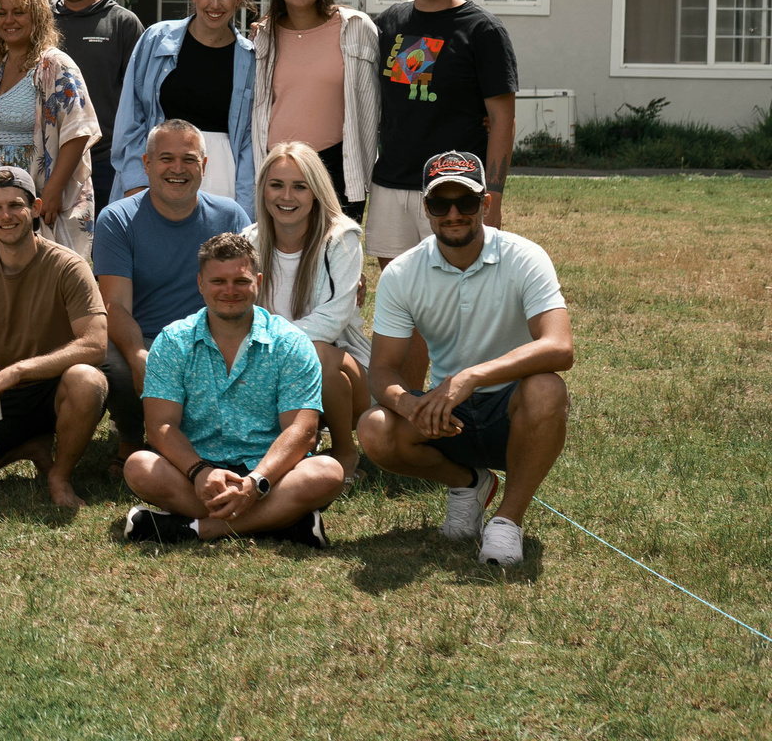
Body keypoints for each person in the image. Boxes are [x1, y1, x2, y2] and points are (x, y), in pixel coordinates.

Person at [358, 150, 572, 568]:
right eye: (440, 204)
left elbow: (560, 347)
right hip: (447, 413)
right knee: (374, 428)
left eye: (466, 202)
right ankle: (468, 484)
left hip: (512, 409)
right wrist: (409, 405)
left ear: (485, 204)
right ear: (426, 208)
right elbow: (381, 369)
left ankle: (508, 520)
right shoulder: (402, 273)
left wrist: (471, 377)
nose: (453, 214)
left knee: (547, 389)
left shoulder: (525, 256)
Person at [121, 232, 344, 546]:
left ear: (258, 282)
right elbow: (160, 426)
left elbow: (302, 430)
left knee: (327, 472)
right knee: (139, 467)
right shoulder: (172, 341)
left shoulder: (291, 342)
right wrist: (199, 472)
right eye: (218, 281)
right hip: (195, 472)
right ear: (200, 283)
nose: (229, 290)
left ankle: (197, 529)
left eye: (241, 281)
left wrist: (256, 483)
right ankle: (282, 522)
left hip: (270, 473)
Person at [0, 167, 111, 509]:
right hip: (11, 394)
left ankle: (60, 475)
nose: (6, 215)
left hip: (61, 387)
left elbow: (95, 344)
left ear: (35, 208)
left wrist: (18, 370)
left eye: (15, 205)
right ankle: (29, 446)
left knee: (87, 380)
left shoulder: (68, 266)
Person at [93, 120, 255, 460]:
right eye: (166, 158)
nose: (177, 169)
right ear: (147, 164)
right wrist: (138, 355)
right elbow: (115, 306)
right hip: (145, 337)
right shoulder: (117, 220)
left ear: (204, 166)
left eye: (189, 159)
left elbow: (249, 287)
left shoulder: (230, 216)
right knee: (111, 359)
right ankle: (130, 436)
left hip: (212, 338)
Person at [368, 0, 519, 263]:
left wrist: (493, 197)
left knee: (457, 282)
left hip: (455, 188)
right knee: (397, 285)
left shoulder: (483, 31)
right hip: (390, 184)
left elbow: (502, 119)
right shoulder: (389, 23)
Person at [248, 141, 373, 480]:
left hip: (346, 374)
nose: (286, 196)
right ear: (263, 190)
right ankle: (297, 443)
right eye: (276, 185)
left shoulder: (341, 238)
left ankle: (345, 453)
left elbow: (332, 322)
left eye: (300, 186)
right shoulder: (249, 241)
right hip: (271, 367)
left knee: (315, 351)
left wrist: (269, 345)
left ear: (316, 191)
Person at [0, 0, 102, 259]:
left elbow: (78, 131)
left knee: (43, 269)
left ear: (37, 17)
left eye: (19, 12)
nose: (9, 20)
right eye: (2, 13)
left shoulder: (56, 64)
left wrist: (52, 191)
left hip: (40, 188)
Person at [113, 0, 257, 205]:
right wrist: (135, 180)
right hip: (158, 174)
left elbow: (248, 141)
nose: (215, 4)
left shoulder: (251, 58)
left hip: (222, 181)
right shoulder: (156, 40)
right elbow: (131, 118)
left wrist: (245, 207)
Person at [249, 0, 378, 224]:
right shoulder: (262, 37)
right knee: (282, 250)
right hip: (278, 168)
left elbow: (373, 104)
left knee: (336, 249)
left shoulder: (355, 28)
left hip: (337, 167)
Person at [46, 0, 144, 211]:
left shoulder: (122, 23)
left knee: (106, 236)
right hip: (49, 155)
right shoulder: (43, 22)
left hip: (105, 160)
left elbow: (141, 99)